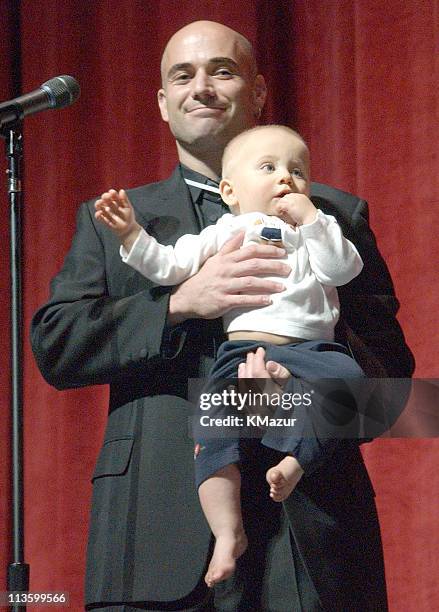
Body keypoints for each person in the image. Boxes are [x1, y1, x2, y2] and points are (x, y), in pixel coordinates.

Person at [30, 20, 415, 612]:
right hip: (152, 535)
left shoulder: (334, 218)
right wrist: (181, 304)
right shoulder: (119, 221)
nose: (202, 87)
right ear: (162, 103)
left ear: (259, 93)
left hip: (309, 541)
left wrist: (291, 399)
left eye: (223, 71)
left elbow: (394, 393)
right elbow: (56, 347)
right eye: (183, 75)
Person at [93, 123, 367, 588]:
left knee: (354, 386)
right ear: (230, 191)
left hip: (316, 351)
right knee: (214, 432)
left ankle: (297, 461)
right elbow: (168, 266)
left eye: (298, 171)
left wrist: (314, 221)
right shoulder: (229, 229)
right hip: (241, 354)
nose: (287, 179)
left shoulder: (319, 229)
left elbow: (343, 270)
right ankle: (227, 530)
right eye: (269, 167)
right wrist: (131, 236)